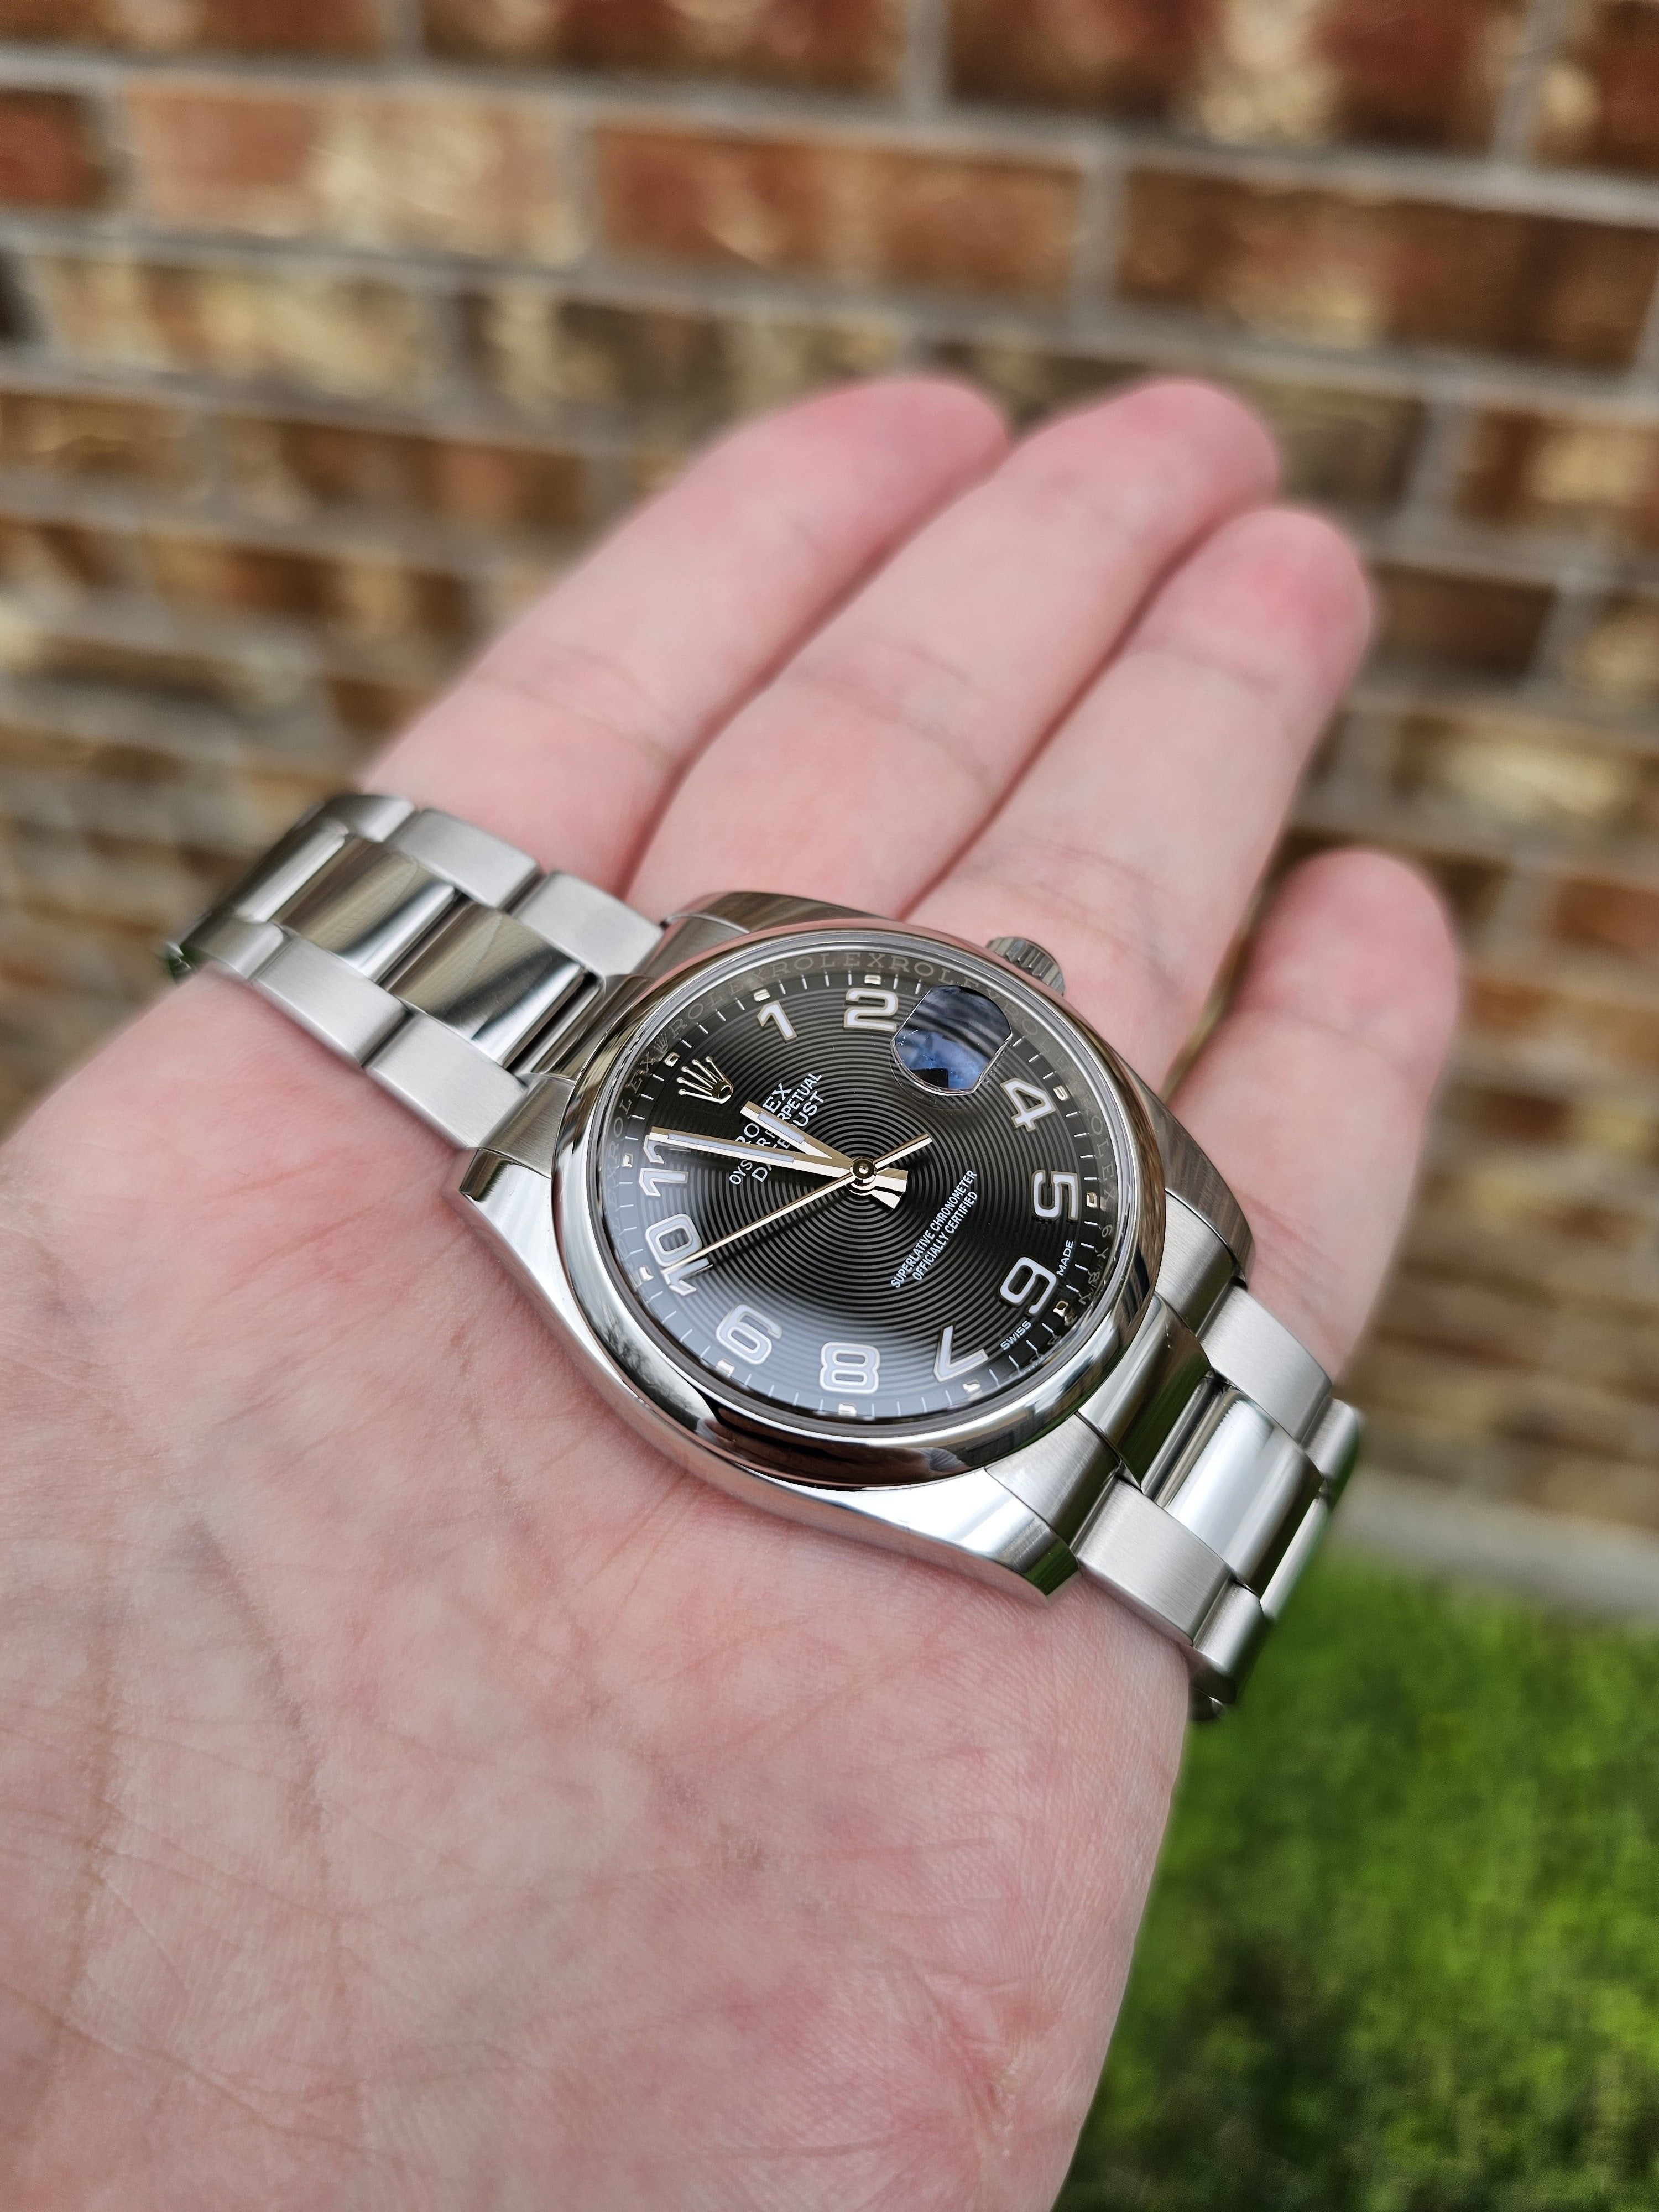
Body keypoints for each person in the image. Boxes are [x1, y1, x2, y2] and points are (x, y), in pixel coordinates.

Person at [0, 376, 1458, 2208]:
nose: (876, 1181)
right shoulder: (568, 1208)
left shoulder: (817, 1018)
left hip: (1000, 1231)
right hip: (890, 1324)